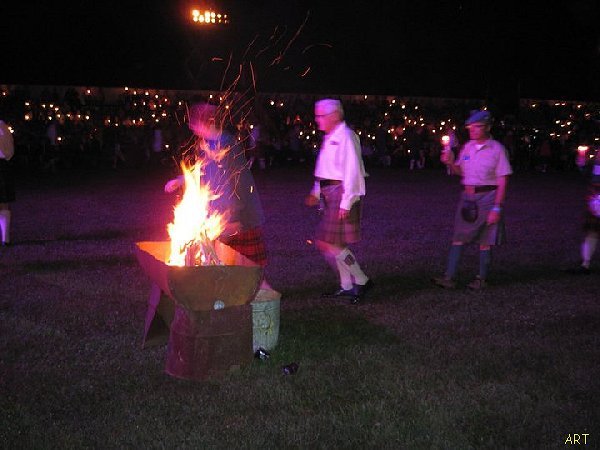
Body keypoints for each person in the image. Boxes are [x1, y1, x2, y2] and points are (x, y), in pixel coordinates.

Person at [164, 103, 280, 301]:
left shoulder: (227, 145)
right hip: (221, 217)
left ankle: (267, 300)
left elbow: (237, 184)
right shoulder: (207, 144)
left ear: (209, 122)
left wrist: (233, 218)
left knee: (249, 267)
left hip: (238, 217)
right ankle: (231, 298)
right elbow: (203, 171)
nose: (192, 128)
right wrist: (181, 180)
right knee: (223, 262)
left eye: (195, 123)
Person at [432, 110, 512, 290]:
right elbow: (460, 172)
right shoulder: (467, 147)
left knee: (485, 240)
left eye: (477, 127)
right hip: (467, 198)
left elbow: (503, 180)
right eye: (470, 127)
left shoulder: (497, 149)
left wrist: (497, 207)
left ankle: (481, 278)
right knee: (458, 236)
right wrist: (450, 163)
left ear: (487, 127)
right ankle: (449, 277)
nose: (472, 130)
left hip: (488, 197)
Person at [305, 99, 373, 304]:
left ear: (334, 115)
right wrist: (316, 192)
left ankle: (361, 279)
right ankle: (346, 286)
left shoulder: (346, 136)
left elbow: (352, 170)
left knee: (327, 242)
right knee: (336, 243)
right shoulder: (330, 137)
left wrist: (346, 202)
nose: (317, 120)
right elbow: (325, 170)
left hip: (341, 193)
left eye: (321, 116)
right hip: (331, 193)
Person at [566, 145, 600, 274]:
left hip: (596, 200)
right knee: (592, 232)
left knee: (593, 232)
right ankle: (585, 264)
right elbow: (588, 172)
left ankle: (585, 263)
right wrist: (581, 160)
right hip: (595, 201)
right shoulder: (596, 161)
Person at [0, 119, 15, 246]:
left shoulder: (3, 127)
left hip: (1, 166)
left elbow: (9, 152)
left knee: (3, 202)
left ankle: (5, 238)